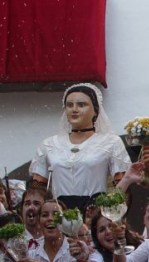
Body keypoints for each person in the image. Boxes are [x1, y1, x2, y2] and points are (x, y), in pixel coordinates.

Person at [29, 83, 131, 213]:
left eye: (81, 105)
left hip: (94, 212)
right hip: (59, 213)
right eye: (69, 105)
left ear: (95, 110)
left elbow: (121, 187)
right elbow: (38, 190)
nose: (74, 109)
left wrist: (109, 214)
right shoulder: (49, 144)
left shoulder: (110, 142)